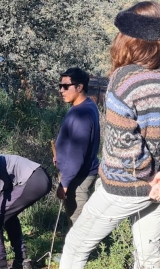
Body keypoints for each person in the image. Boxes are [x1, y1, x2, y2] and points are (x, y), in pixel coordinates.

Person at [26, 2, 160, 269]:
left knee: (77, 243)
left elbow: (123, 148)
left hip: (122, 187)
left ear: (129, 38)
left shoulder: (124, 80)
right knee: (148, 255)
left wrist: (149, 178)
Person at [54, 67, 100, 228]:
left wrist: (64, 184)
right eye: (60, 86)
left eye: (66, 86)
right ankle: (72, 252)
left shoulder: (82, 114)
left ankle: (79, 253)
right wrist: (59, 157)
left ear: (79, 87)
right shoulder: (86, 106)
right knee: (75, 219)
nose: (61, 90)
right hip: (78, 173)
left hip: (78, 177)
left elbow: (77, 154)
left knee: (78, 222)